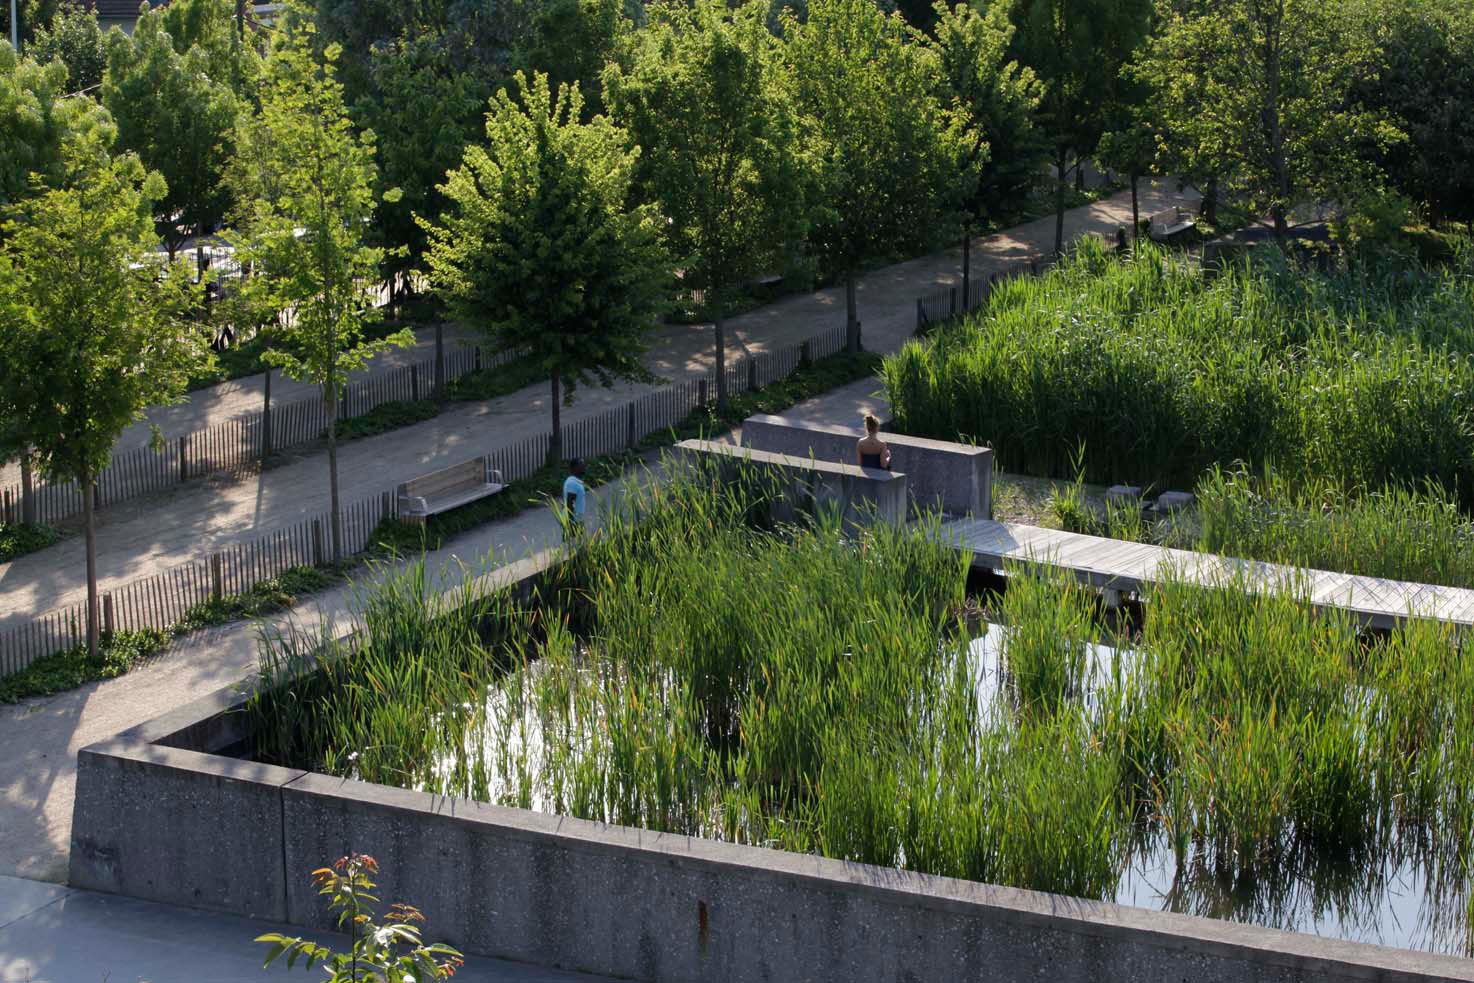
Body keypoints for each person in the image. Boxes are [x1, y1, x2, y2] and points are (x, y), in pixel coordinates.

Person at [562, 458, 588, 540]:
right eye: (581, 464)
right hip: (573, 520)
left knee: (577, 544)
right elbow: (569, 503)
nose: (584, 466)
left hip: (577, 519)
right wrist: (571, 522)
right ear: (575, 467)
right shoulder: (572, 483)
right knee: (573, 544)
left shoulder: (575, 482)